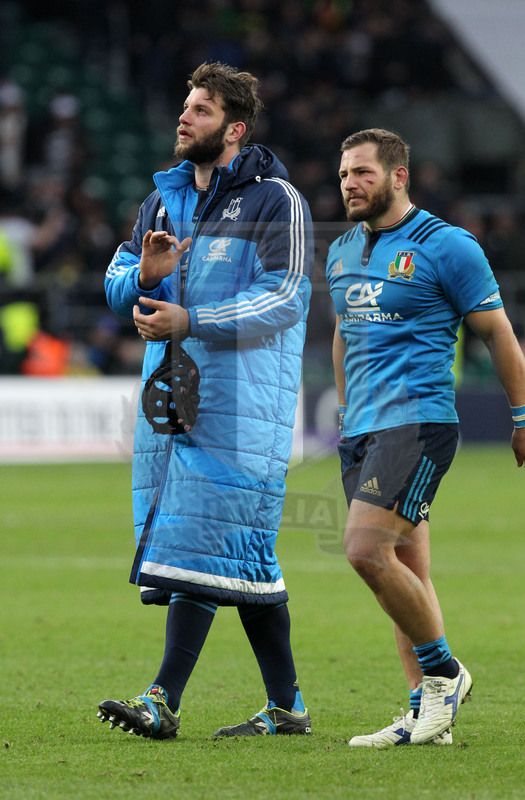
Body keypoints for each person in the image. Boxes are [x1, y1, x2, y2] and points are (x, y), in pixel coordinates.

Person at [98, 62, 313, 740]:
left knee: (197, 540)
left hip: (242, 406)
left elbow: (285, 297)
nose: (183, 118)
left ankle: (162, 700)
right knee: (243, 559)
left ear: (234, 128)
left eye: (199, 110)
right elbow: (116, 284)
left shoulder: (276, 200)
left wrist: (191, 321)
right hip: (172, 404)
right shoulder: (160, 201)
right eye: (184, 106)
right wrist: (145, 278)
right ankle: (287, 707)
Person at [326, 128, 525, 748]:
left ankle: (445, 673)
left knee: (364, 551)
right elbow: (344, 332)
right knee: (406, 571)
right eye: (344, 174)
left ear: (399, 177)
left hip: (417, 422)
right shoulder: (341, 252)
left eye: (363, 172)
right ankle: (428, 715)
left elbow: (498, 334)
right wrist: (343, 410)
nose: (350, 184)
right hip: (362, 430)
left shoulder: (448, 246)